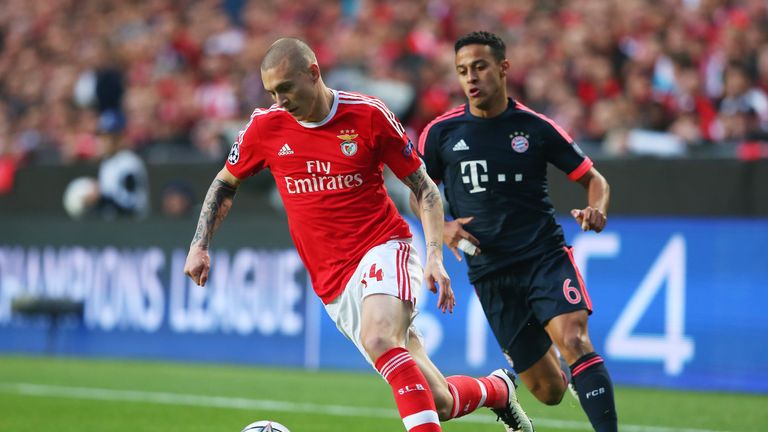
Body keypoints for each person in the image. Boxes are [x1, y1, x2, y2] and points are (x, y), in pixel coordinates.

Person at [183, 38, 533, 432]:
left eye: (286, 89)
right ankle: (498, 390)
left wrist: (434, 254)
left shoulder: (367, 115)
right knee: (439, 399)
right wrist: (200, 245)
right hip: (333, 282)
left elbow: (424, 188)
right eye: (271, 92)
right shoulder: (266, 127)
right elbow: (224, 183)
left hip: (384, 247)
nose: (279, 101)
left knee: (380, 337)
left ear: (313, 73)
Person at [413, 31, 618, 432]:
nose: (471, 78)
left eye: (479, 67)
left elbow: (594, 179)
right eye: (462, 71)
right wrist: (446, 227)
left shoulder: (535, 128)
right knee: (548, 391)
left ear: (503, 68)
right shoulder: (441, 134)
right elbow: (418, 192)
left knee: (574, 340)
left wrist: (597, 208)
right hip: (490, 272)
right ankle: (513, 390)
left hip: (544, 256)